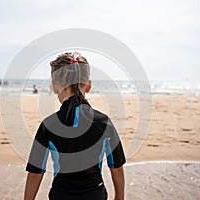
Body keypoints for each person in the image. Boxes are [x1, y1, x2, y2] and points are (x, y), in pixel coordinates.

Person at [24, 52, 126, 200]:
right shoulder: (104, 123)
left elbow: (35, 172)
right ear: (88, 85)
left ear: (54, 86)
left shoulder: (48, 125)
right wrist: (119, 198)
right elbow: (116, 167)